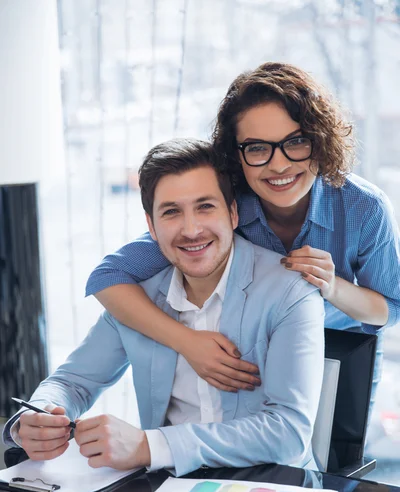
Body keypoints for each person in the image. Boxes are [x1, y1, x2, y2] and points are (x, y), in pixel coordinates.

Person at [3, 139, 324, 476]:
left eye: (205, 207)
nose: (191, 229)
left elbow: (288, 432)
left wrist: (149, 446)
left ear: (232, 213)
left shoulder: (291, 290)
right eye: (172, 212)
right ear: (151, 226)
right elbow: (72, 383)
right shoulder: (135, 298)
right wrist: (35, 417)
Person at [85, 62, 400, 399]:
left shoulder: (363, 207)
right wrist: (186, 342)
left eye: (295, 142)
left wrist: (332, 286)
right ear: (235, 155)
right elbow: (107, 278)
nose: (279, 165)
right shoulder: (221, 206)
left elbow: (390, 310)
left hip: (339, 355)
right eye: (257, 148)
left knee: (335, 452)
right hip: (248, 361)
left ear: (320, 141)